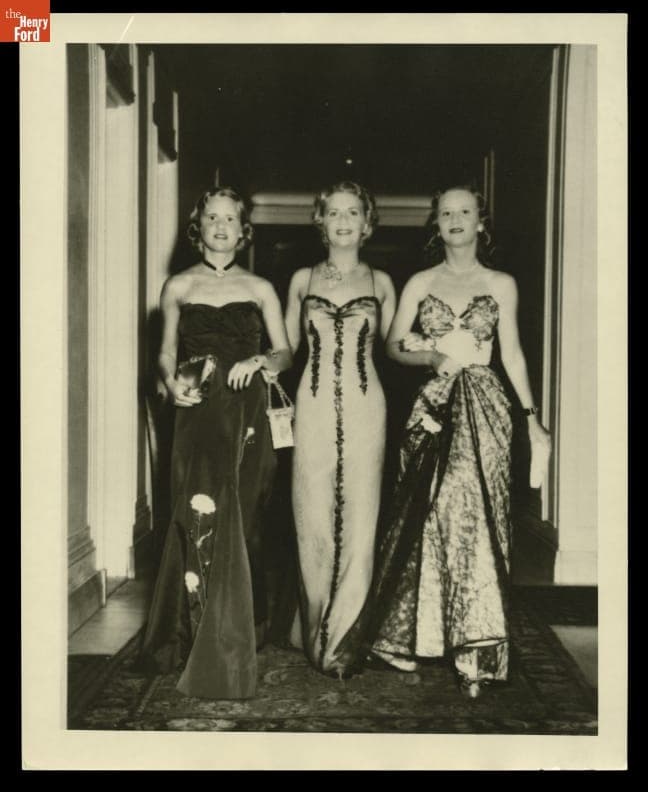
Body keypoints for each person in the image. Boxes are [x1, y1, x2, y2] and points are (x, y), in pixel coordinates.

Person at [337, 184, 551, 698]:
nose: (456, 219)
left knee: (478, 516)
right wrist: (430, 356)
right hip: (432, 407)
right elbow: (391, 345)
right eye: (446, 212)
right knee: (428, 514)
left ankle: (477, 649)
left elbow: (514, 355)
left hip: (486, 406)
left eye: (465, 211)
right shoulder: (420, 282)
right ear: (437, 222)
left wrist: (532, 420)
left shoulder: (501, 283)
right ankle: (408, 634)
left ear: (481, 222)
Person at [140, 185, 292, 699]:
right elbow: (163, 355)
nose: (221, 226)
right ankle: (184, 634)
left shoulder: (262, 287)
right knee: (192, 516)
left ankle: (242, 632)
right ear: (198, 225)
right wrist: (171, 384)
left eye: (231, 219)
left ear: (243, 229)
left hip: (248, 417)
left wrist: (261, 361)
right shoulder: (178, 285)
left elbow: (287, 352)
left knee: (244, 519)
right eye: (212, 218)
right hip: (197, 415)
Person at [283, 180, 396, 677]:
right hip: (309, 407)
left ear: (366, 223)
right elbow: (286, 349)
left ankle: (345, 636)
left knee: (361, 515)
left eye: (354, 212)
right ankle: (314, 625)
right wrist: (260, 358)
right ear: (321, 220)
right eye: (334, 212)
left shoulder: (383, 281)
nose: (344, 220)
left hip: (368, 404)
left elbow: (397, 346)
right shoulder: (301, 279)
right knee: (311, 512)